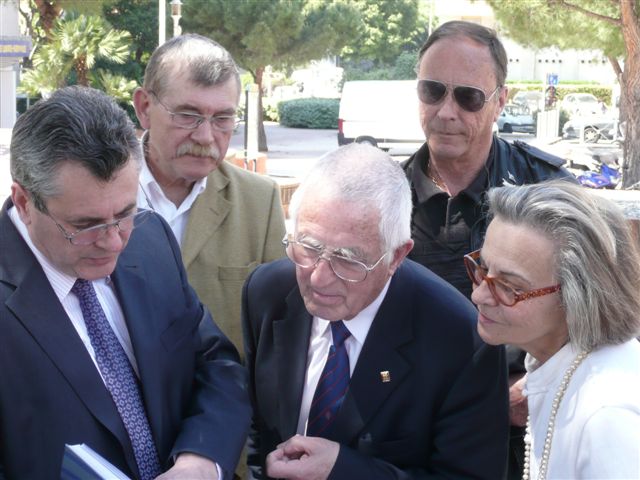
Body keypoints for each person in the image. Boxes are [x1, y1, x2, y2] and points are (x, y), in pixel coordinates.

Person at [0, 86, 251, 480]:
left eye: (125, 213)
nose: (114, 241)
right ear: (25, 202)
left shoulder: (152, 242)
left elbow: (215, 364)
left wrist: (200, 460)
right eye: (86, 226)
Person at [242, 143, 509, 479]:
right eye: (307, 246)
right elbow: (259, 432)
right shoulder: (267, 292)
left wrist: (343, 470)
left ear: (397, 256)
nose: (319, 277)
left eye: (347, 259)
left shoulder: (462, 340)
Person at [402, 21, 576, 477]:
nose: (446, 111)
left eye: (468, 97)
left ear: (501, 99)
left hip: (521, 430)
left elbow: (606, 317)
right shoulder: (386, 198)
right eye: (432, 90)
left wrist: (539, 386)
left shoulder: (550, 192)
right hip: (415, 431)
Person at [466, 180, 640, 479]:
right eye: (482, 268)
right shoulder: (556, 365)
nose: (478, 295)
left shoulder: (607, 419)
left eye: (509, 287)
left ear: (579, 296)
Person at [133, 34, 286, 352]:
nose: (205, 136)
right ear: (144, 107)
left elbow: (279, 331)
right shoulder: (95, 194)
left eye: (222, 118)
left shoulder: (260, 202)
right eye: (187, 116)